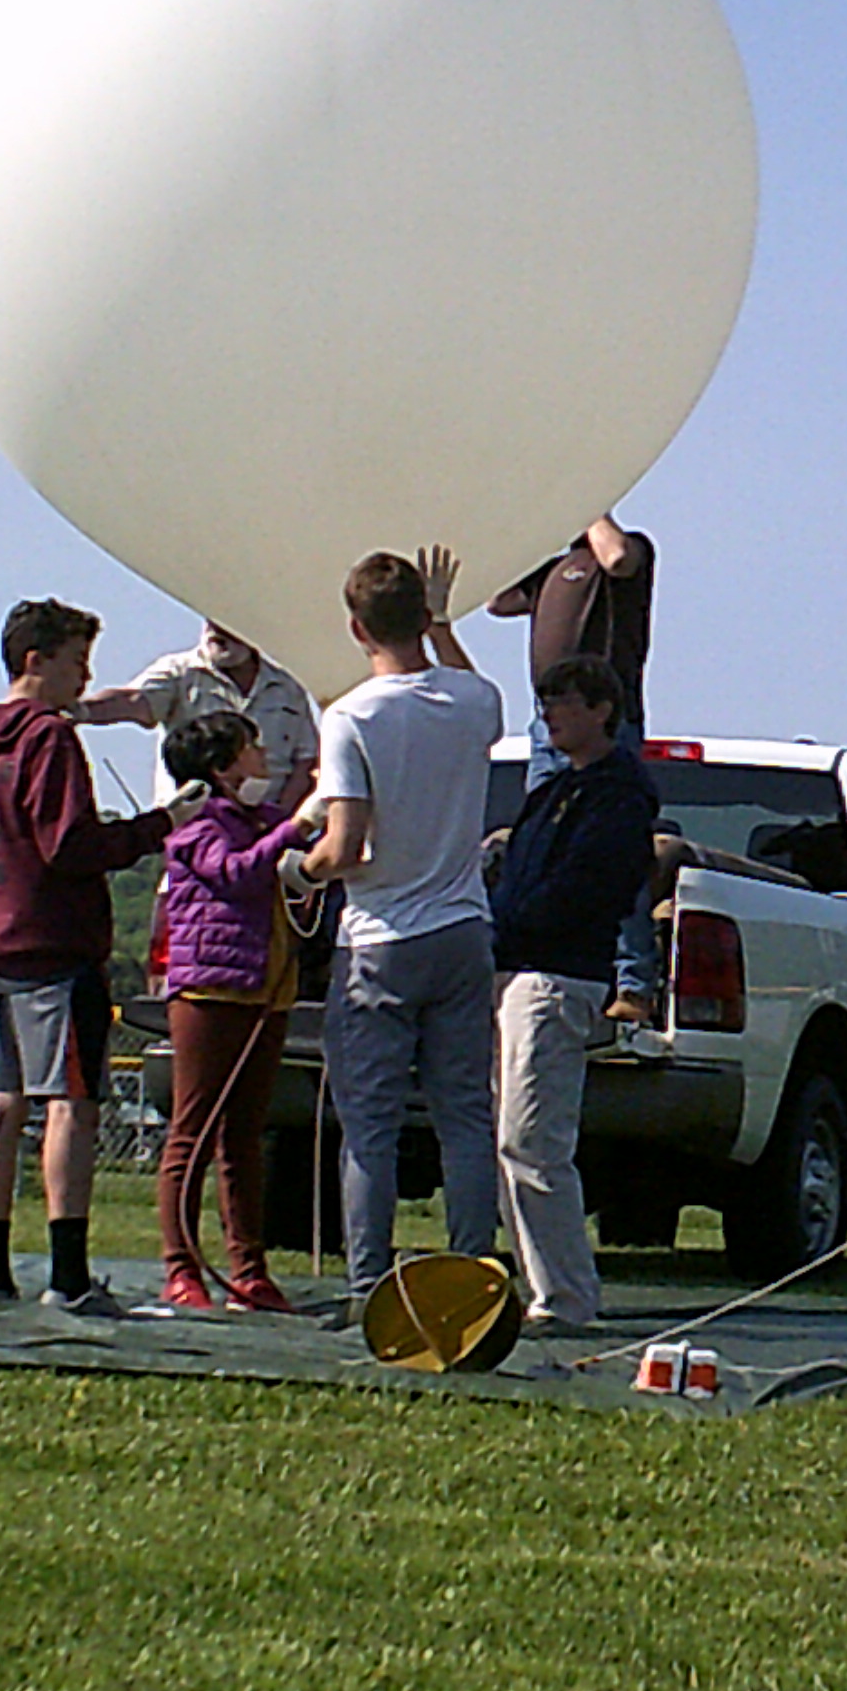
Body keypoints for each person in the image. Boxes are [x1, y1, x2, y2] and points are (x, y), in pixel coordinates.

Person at [290, 547, 505, 1311]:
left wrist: (301, 869)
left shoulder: (351, 716)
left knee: (371, 1126)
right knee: (465, 1120)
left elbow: (346, 846)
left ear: (355, 628)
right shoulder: (473, 701)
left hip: (381, 937)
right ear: (422, 616)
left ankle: (369, 1288)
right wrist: (445, 625)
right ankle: (476, 1276)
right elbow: (475, 688)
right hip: (462, 927)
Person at [0, 598, 175, 1313]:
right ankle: (69, 1278)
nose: (85, 677)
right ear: (35, 661)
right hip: (56, 944)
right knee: (71, 1106)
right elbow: (71, 847)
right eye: (76, 662)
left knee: (1, 1102)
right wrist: (158, 828)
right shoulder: (50, 739)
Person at [485, 654, 659, 1330]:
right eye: (545, 701)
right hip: (512, 972)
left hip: (556, 979)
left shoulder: (616, 797)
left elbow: (588, 889)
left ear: (602, 711)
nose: (551, 713)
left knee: (533, 1142)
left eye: (564, 702)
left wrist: (511, 924)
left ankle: (567, 1297)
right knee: (506, 1143)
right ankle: (540, 1288)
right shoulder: (553, 793)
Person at [148, 710, 305, 1314]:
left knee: (244, 1138)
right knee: (192, 1132)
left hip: (266, 990)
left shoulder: (260, 820)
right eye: (251, 748)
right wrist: (294, 833)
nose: (263, 757)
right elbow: (236, 875)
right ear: (221, 767)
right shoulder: (197, 827)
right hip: (209, 993)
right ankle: (181, 1269)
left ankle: (249, 1271)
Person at [489, 514, 659, 1018]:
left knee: (610, 848)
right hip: (548, 725)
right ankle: (533, 957)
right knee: (542, 848)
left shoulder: (626, 552)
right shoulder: (551, 565)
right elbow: (498, 601)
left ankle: (633, 980)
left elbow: (619, 558)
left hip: (607, 717)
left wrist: (593, 510)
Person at [76, 622, 322, 811]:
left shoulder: (288, 686)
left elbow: (306, 762)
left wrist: (276, 823)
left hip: (269, 836)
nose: (217, 632)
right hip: (195, 824)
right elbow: (134, 701)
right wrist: (79, 711)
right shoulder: (179, 672)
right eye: (211, 623)